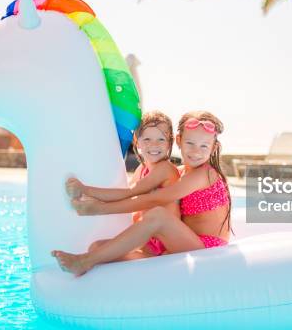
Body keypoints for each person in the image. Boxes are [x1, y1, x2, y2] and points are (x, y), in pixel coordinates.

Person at [52, 111, 231, 276]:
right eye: (190, 143)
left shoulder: (205, 174)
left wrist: (99, 208)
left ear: (214, 147)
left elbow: (156, 199)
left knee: (158, 214)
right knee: (97, 247)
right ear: (178, 140)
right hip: (180, 242)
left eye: (204, 146)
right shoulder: (182, 172)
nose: (195, 151)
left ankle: (84, 261)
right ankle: (94, 258)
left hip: (207, 248)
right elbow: (132, 193)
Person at [66, 110, 180, 258]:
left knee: (101, 255)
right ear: (137, 141)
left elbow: (129, 193)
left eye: (161, 140)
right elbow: (124, 196)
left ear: (170, 143)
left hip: (164, 243)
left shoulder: (165, 169)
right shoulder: (142, 170)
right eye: (147, 139)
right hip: (146, 241)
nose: (154, 145)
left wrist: (85, 189)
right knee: (95, 247)